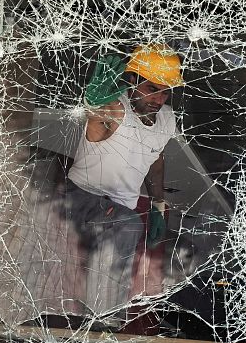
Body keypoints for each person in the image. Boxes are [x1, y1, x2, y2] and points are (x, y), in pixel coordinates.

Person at [63, 44, 184, 315]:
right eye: (152, 88)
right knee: (127, 226)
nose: (159, 99)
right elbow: (96, 119)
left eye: (166, 92)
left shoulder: (166, 119)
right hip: (82, 199)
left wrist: (158, 205)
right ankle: (102, 317)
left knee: (131, 225)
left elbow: (155, 159)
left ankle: (101, 310)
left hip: (119, 208)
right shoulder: (117, 108)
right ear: (132, 81)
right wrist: (93, 103)